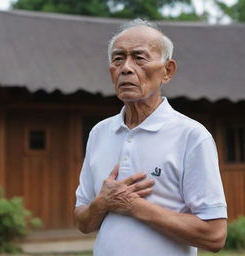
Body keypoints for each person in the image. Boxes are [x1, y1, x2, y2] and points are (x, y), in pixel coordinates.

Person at [74, 19, 227, 256]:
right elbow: (83, 222)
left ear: (167, 71)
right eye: (118, 59)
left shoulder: (192, 136)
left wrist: (134, 206)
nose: (126, 67)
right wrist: (101, 203)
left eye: (139, 57)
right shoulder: (99, 133)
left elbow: (215, 236)